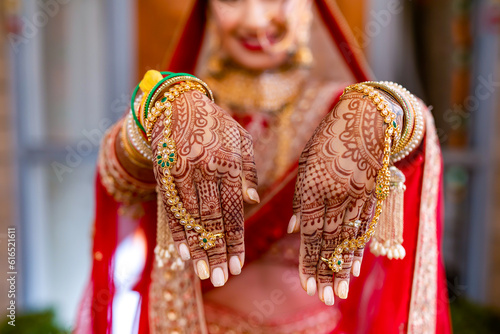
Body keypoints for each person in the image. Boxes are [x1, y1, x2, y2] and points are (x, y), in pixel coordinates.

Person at [75, 0, 452, 333]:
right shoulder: (180, 111)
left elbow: (411, 143)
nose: (255, 20)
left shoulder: (343, 110)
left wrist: (378, 110)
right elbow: (120, 175)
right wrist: (166, 112)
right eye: (231, 0)